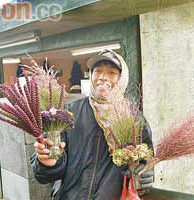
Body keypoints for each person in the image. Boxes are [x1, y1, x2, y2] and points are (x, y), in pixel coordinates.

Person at [30, 49, 154, 200]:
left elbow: (145, 160)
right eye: (98, 71)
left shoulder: (134, 120)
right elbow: (46, 174)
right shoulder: (68, 113)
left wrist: (145, 174)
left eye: (111, 73)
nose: (102, 77)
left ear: (122, 78)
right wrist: (47, 163)